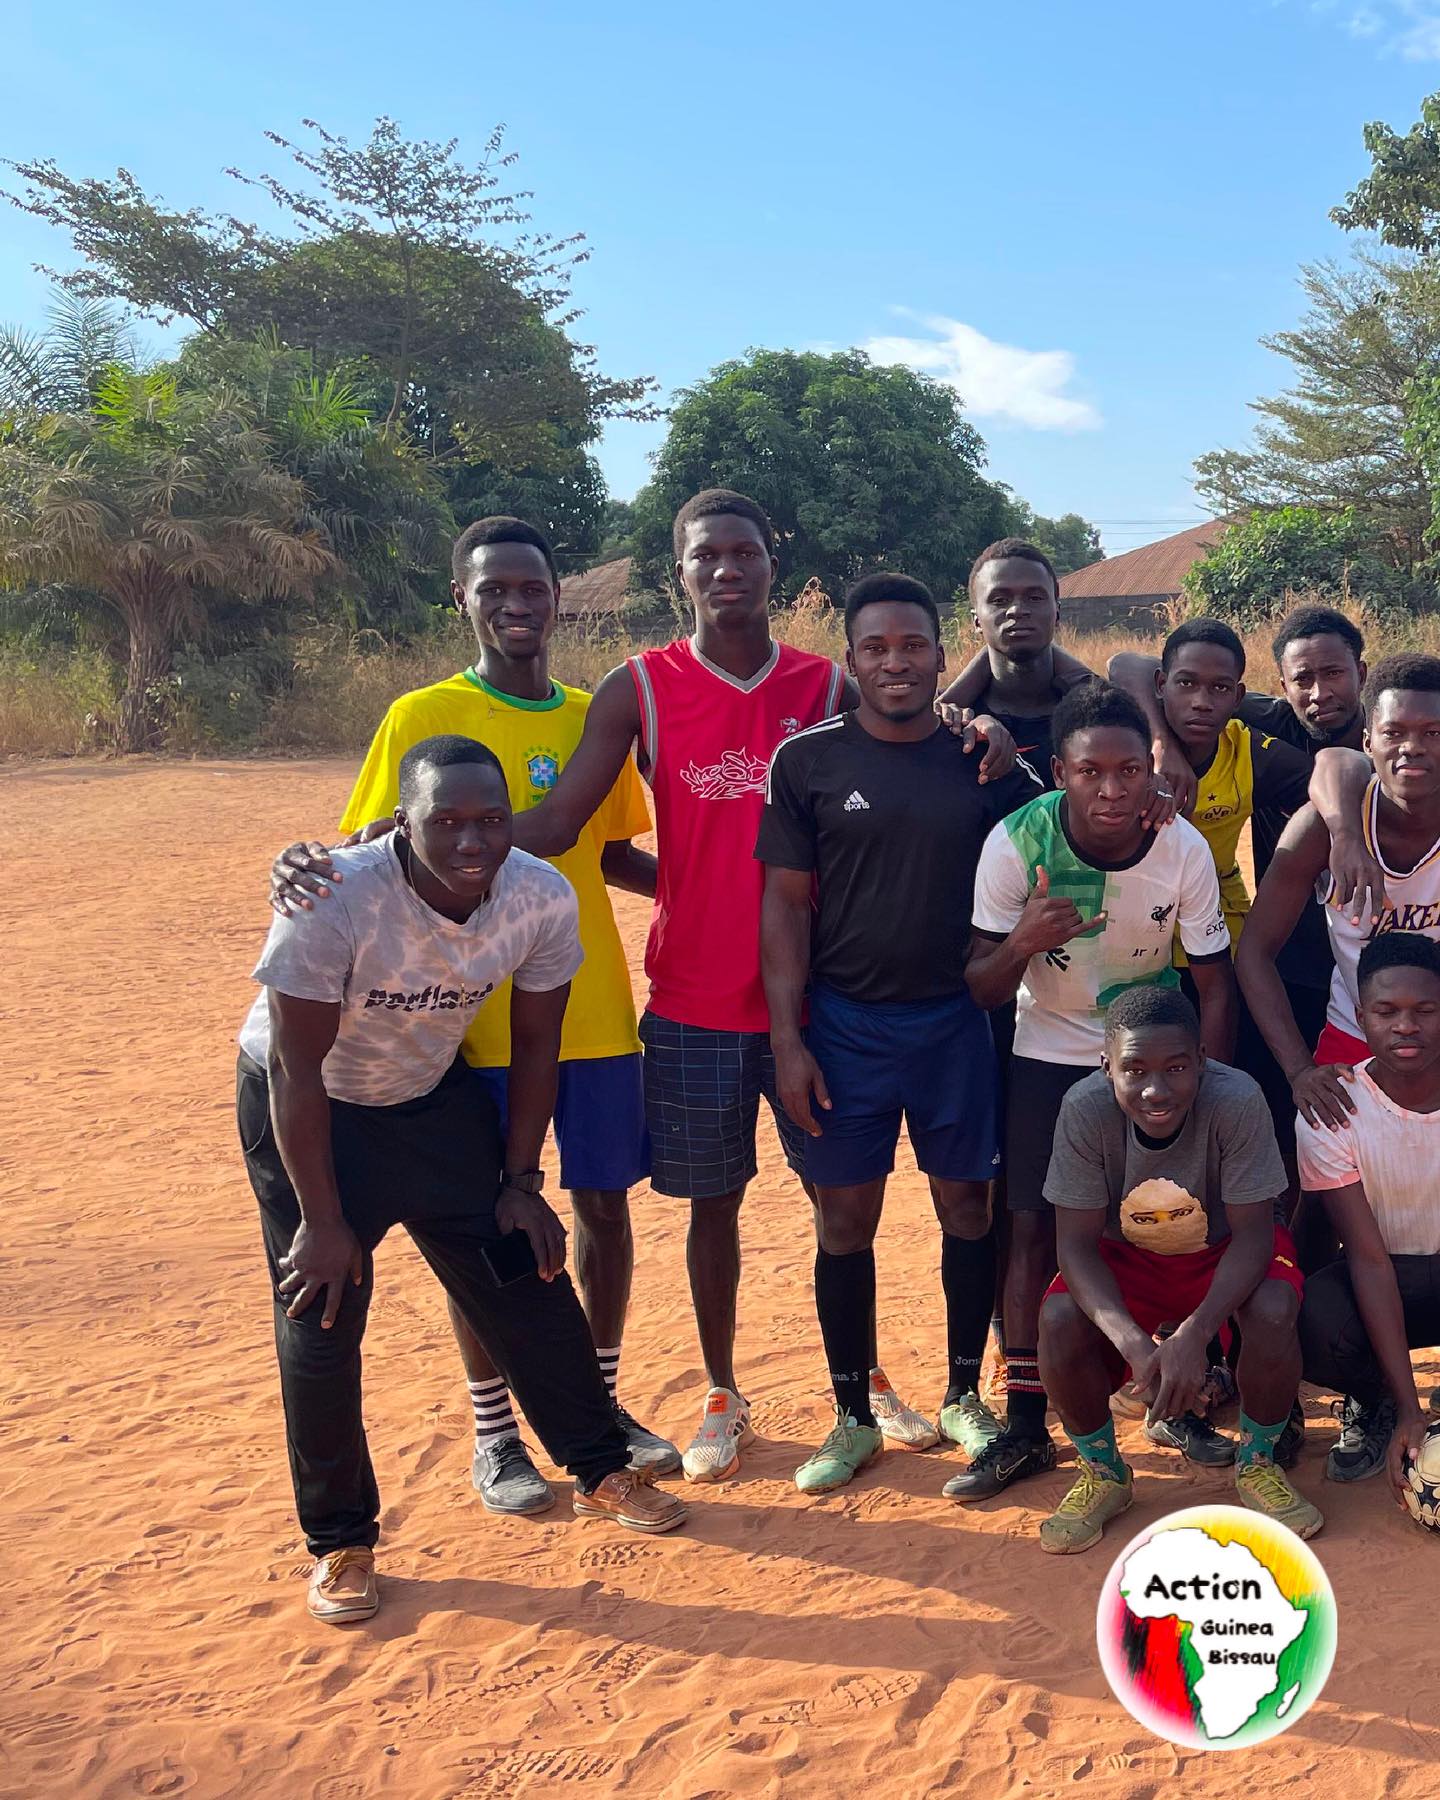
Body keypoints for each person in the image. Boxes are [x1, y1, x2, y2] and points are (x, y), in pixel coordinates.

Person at [487, 489, 1015, 1480]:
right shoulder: (636, 687)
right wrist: (431, 836)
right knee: (711, 1208)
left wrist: (970, 723)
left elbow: (905, 728)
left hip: (814, 1003)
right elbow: (563, 830)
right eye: (705, 555)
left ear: (775, 566)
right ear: (678, 569)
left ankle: (860, 1386)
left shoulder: (821, 686)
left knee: (840, 1206)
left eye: (745, 553)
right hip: (691, 999)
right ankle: (723, 1392)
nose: (727, 569)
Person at [268, 516, 676, 1515]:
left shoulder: (596, 714)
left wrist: (706, 902)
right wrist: (298, 864)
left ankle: (600, 1409)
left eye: (534, 586)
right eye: (494, 589)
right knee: (477, 1242)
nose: (517, 604)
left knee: (592, 1215)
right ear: (464, 598)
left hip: (583, 1003)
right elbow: (366, 843)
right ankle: (496, 1436)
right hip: (459, 1027)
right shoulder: (422, 713)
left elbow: (610, 852)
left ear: (559, 593)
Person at [238, 736, 687, 1626]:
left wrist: (521, 1179)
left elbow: (534, 1044)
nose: (472, 840)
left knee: (520, 1267)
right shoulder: (333, 896)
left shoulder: (538, 895)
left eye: (491, 819)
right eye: (447, 820)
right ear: (404, 819)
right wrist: (323, 1220)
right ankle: (340, 1543)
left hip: (427, 1099)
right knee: (321, 1310)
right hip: (310, 1108)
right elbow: (294, 1068)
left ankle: (599, 1467)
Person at [757, 573, 1040, 1492]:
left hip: (960, 1022)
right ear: (851, 660)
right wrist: (789, 1039)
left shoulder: (987, 763)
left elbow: (1061, 829)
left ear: (941, 653)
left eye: (912, 646)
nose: (896, 663)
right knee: (846, 1218)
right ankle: (851, 1415)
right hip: (845, 1025)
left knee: (969, 1210)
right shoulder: (807, 763)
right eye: (875, 648)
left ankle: (963, 1393)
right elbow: (786, 908)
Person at [949, 679, 1237, 1501]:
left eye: (1128, 771)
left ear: (1153, 770)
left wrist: (1206, 1088)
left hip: (1153, 1061)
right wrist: (1023, 945)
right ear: (1061, 773)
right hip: (1049, 1052)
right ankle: (1025, 1425)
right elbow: (978, 987)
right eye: (1088, 773)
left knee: (1173, 1219)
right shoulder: (1017, 844)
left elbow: (1213, 983)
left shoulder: (1178, 846)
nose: (1111, 791)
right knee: (1032, 1232)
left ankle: (1177, 1392)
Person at [934, 541, 1176, 1415]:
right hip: (985, 968)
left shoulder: (1094, 704)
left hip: (1092, 976)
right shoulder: (950, 712)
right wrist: (959, 706)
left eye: (1035, 596)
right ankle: (1015, 1371)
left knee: (1112, 1186)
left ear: (1058, 605)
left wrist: (1146, 731)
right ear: (975, 616)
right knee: (1012, 1196)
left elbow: (1134, 665)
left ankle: (1118, 1362)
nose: (1018, 612)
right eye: (999, 599)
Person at [1035, 985, 1319, 1553]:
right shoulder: (1084, 1109)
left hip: (1223, 1251)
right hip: (1128, 1257)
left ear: (1203, 1060)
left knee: (1273, 1305)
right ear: (1106, 1065)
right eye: (1134, 1069)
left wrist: (1194, 1334)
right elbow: (1076, 1246)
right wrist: (1138, 1346)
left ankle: (1258, 1460)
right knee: (1060, 1318)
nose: (1155, 1089)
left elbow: (1254, 1235)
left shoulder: (1236, 1099)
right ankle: (1103, 1472)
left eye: (1177, 1067)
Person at [1297, 932, 1440, 1491]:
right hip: (1387, 1276)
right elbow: (1367, 1260)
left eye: (1425, 1009)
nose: (1406, 1025)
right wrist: (1409, 1408)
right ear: (1360, 1015)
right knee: (1310, 1317)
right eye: (1387, 1011)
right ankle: (1379, 1399)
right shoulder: (1334, 1108)